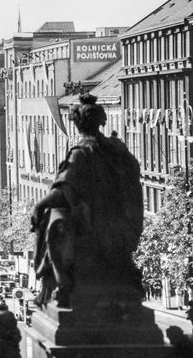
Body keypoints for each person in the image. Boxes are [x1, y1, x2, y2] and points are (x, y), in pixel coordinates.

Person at [31, 92, 144, 308]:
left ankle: (58, 281)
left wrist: (39, 205)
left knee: (51, 220)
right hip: (119, 223)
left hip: (92, 227)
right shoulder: (116, 149)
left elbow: (65, 190)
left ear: (76, 124)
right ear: (101, 121)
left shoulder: (81, 154)